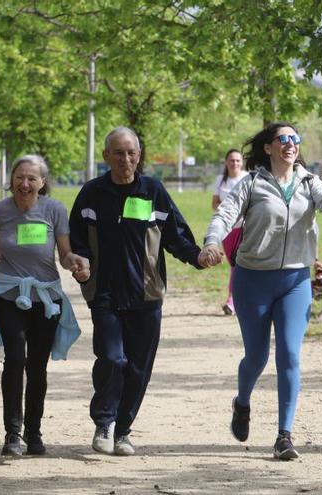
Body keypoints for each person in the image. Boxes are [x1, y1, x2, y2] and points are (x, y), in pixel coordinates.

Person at [69, 126, 215, 457]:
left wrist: (197, 257)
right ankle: (104, 422)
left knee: (138, 367)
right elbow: (76, 239)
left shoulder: (153, 191)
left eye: (131, 153)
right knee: (112, 358)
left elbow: (175, 236)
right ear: (106, 156)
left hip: (146, 295)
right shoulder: (91, 193)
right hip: (104, 294)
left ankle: (122, 431)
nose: (125, 159)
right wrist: (80, 262)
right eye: (118, 153)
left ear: (139, 156)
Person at [202, 122, 322, 460]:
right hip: (253, 280)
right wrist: (212, 241)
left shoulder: (309, 182)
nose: (290, 144)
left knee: (290, 355)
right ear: (268, 148)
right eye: (283, 139)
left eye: (295, 139)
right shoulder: (251, 183)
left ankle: (284, 435)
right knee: (257, 356)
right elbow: (224, 215)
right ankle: (242, 403)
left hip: (295, 281)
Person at [0, 155, 90, 456]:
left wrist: (75, 263)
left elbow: (64, 254)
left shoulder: (54, 209)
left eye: (32, 178)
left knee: (37, 367)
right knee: (14, 359)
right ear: (11, 179)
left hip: (46, 299)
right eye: (19, 177)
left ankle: (34, 433)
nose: (25, 184)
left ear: (42, 182)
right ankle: (12, 433)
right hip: (9, 295)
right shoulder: (1, 209)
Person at [211, 148, 249, 316]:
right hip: (227, 230)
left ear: (242, 163)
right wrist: (227, 210)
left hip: (246, 229)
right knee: (234, 265)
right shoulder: (220, 180)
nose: (235, 163)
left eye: (238, 160)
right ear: (226, 162)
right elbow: (214, 204)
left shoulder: (247, 178)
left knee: (239, 265)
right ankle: (237, 300)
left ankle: (232, 301)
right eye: (232, 160)